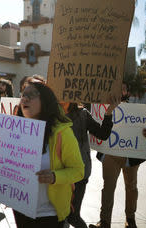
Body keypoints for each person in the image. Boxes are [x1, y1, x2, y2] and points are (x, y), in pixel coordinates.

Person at [11, 77, 85, 227]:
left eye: (31, 95)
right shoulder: (13, 131)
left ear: (44, 101)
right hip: (20, 209)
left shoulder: (62, 133)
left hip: (49, 213)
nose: (24, 98)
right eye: (23, 95)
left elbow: (78, 171)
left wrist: (54, 177)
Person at [89, 82, 146, 228]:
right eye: (117, 88)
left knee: (131, 187)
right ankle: (104, 221)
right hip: (110, 155)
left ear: (127, 92)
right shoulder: (102, 107)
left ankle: (130, 219)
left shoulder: (137, 110)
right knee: (108, 187)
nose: (120, 91)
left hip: (131, 156)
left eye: (123, 88)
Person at [61, 96, 120, 228]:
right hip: (57, 173)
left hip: (79, 173)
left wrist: (109, 112)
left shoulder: (82, 115)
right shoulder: (50, 115)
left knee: (72, 215)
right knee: (59, 216)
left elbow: (103, 134)